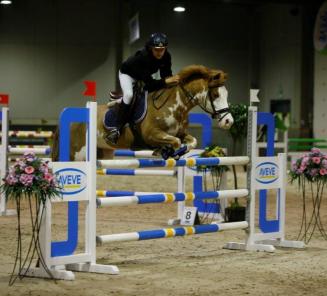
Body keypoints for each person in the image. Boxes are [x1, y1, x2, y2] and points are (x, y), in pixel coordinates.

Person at [104, 32, 180, 144]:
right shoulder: (143, 57)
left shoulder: (166, 56)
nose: (160, 53)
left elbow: (166, 75)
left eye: (162, 49)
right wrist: (166, 81)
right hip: (128, 75)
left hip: (142, 77)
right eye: (156, 50)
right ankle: (116, 130)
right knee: (129, 95)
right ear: (150, 48)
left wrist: (173, 83)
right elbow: (150, 85)